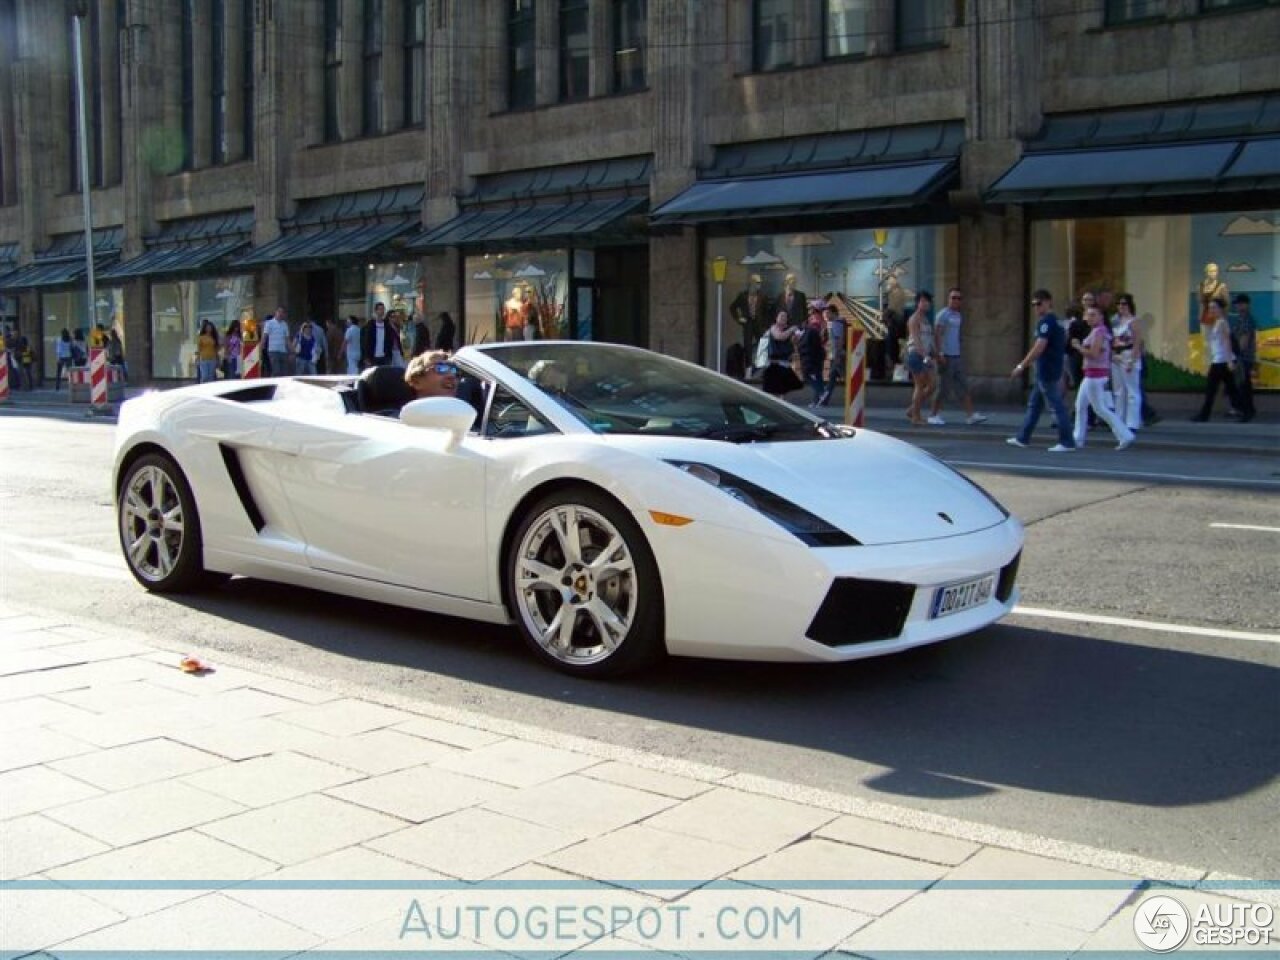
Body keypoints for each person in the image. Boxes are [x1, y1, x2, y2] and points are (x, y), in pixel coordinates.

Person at [1008, 289, 1075, 452]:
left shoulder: (1047, 322)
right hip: (1050, 367)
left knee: (1057, 405)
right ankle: (1023, 437)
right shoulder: (1057, 322)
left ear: (1048, 302)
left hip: (1047, 369)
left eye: (1039, 303)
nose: (1036, 307)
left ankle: (1067, 441)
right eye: (1034, 304)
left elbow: (1039, 346)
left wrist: (1021, 365)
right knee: (1035, 405)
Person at [1069, 305, 1135, 451]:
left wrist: (1078, 347)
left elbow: (1094, 353)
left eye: (1093, 315)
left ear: (1101, 317)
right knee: (1081, 406)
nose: (1089, 318)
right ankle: (1078, 438)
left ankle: (1124, 434)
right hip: (1092, 374)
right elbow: (1107, 353)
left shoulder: (1099, 332)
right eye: (1088, 315)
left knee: (1099, 408)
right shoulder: (1098, 331)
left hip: (1095, 375)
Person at [929, 287, 988, 426]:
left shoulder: (958, 315)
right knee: (943, 388)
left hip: (956, 355)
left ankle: (970, 415)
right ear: (948, 299)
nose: (956, 300)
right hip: (946, 356)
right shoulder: (943, 315)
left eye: (959, 298)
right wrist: (940, 353)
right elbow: (937, 334)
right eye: (953, 297)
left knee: (963, 385)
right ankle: (933, 414)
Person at [1191, 297, 1246, 422]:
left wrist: (1229, 361)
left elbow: (1227, 342)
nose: (1211, 310)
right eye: (1210, 307)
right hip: (1219, 360)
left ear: (1221, 309)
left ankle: (1204, 415)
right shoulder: (1217, 322)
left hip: (1221, 361)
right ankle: (1245, 411)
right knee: (1231, 389)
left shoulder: (1222, 323)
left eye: (1214, 307)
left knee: (1212, 389)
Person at [1109, 293, 1143, 432]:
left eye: (1124, 304)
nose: (1121, 307)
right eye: (1119, 304)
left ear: (1129, 305)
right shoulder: (1115, 321)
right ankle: (1119, 420)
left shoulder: (1133, 321)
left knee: (1132, 390)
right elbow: (1110, 339)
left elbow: (1137, 342)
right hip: (1116, 356)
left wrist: (1132, 360)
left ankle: (1132, 423)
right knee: (1119, 390)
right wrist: (1111, 354)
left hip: (1128, 354)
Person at [904, 290, 936, 426]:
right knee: (920, 385)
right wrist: (926, 357)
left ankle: (913, 409)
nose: (926, 304)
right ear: (917, 303)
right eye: (922, 301)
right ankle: (915, 416)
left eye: (927, 301)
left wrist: (935, 354)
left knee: (932, 385)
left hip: (925, 355)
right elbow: (916, 341)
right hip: (916, 355)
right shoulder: (914, 319)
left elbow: (929, 339)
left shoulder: (926, 319)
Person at [729, 274, 772, 374]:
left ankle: (761, 369)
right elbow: (733, 307)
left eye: (760, 283)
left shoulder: (762, 296)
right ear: (751, 283)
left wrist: (766, 325)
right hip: (748, 324)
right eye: (757, 283)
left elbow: (767, 312)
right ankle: (748, 369)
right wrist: (739, 318)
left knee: (762, 344)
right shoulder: (743, 295)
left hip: (759, 325)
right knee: (747, 346)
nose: (759, 285)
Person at [1227, 293, 1257, 422]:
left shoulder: (1247, 319)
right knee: (1243, 385)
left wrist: (1238, 353)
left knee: (1244, 386)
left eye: (1240, 304)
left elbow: (1244, 339)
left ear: (1246, 304)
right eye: (1237, 304)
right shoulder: (1241, 318)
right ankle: (1247, 410)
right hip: (1240, 357)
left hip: (1243, 357)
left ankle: (1247, 411)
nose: (1238, 306)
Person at [761, 310, 802, 396]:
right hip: (774, 363)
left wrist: (796, 337)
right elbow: (779, 337)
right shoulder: (773, 328)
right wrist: (791, 329)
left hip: (784, 363)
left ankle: (782, 404)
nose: (783, 318)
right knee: (772, 389)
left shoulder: (788, 330)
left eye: (785, 317)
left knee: (783, 389)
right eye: (781, 316)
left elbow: (793, 343)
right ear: (776, 318)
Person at [797, 303, 827, 407]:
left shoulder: (815, 321)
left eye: (811, 309)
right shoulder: (822, 321)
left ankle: (821, 393)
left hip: (812, 352)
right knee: (818, 376)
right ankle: (817, 400)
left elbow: (811, 337)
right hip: (819, 351)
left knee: (808, 375)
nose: (809, 311)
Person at [818, 301, 846, 407]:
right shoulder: (834, 324)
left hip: (837, 356)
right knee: (833, 379)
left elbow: (839, 341)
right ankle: (824, 400)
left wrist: (837, 355)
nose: (825, 315)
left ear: (833, 313)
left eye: (827, 313)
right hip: (835, 355)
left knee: (833, 379)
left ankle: (824, 400)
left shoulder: (836, 324)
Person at [361, 302, 401, 367]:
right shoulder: (369, 326)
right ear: (376, 311)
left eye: (383, 309)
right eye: (380, 309)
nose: (382, 311)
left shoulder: (387, 326)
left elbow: (391, 340)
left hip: (385, 357)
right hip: (372, 356)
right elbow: (365, 342)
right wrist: (365, 357)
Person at [263, 307, 290, 376]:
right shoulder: (269, 323)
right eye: (279, 312)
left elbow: (287, 339)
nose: (281, 314)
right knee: (276, 371)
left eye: (282, 312)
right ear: (276, 312)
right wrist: (261, 348)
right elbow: (265, 336)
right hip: (273, 350)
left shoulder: (285, 324)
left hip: (283, 351)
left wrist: (292, 351)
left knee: (284, 372)